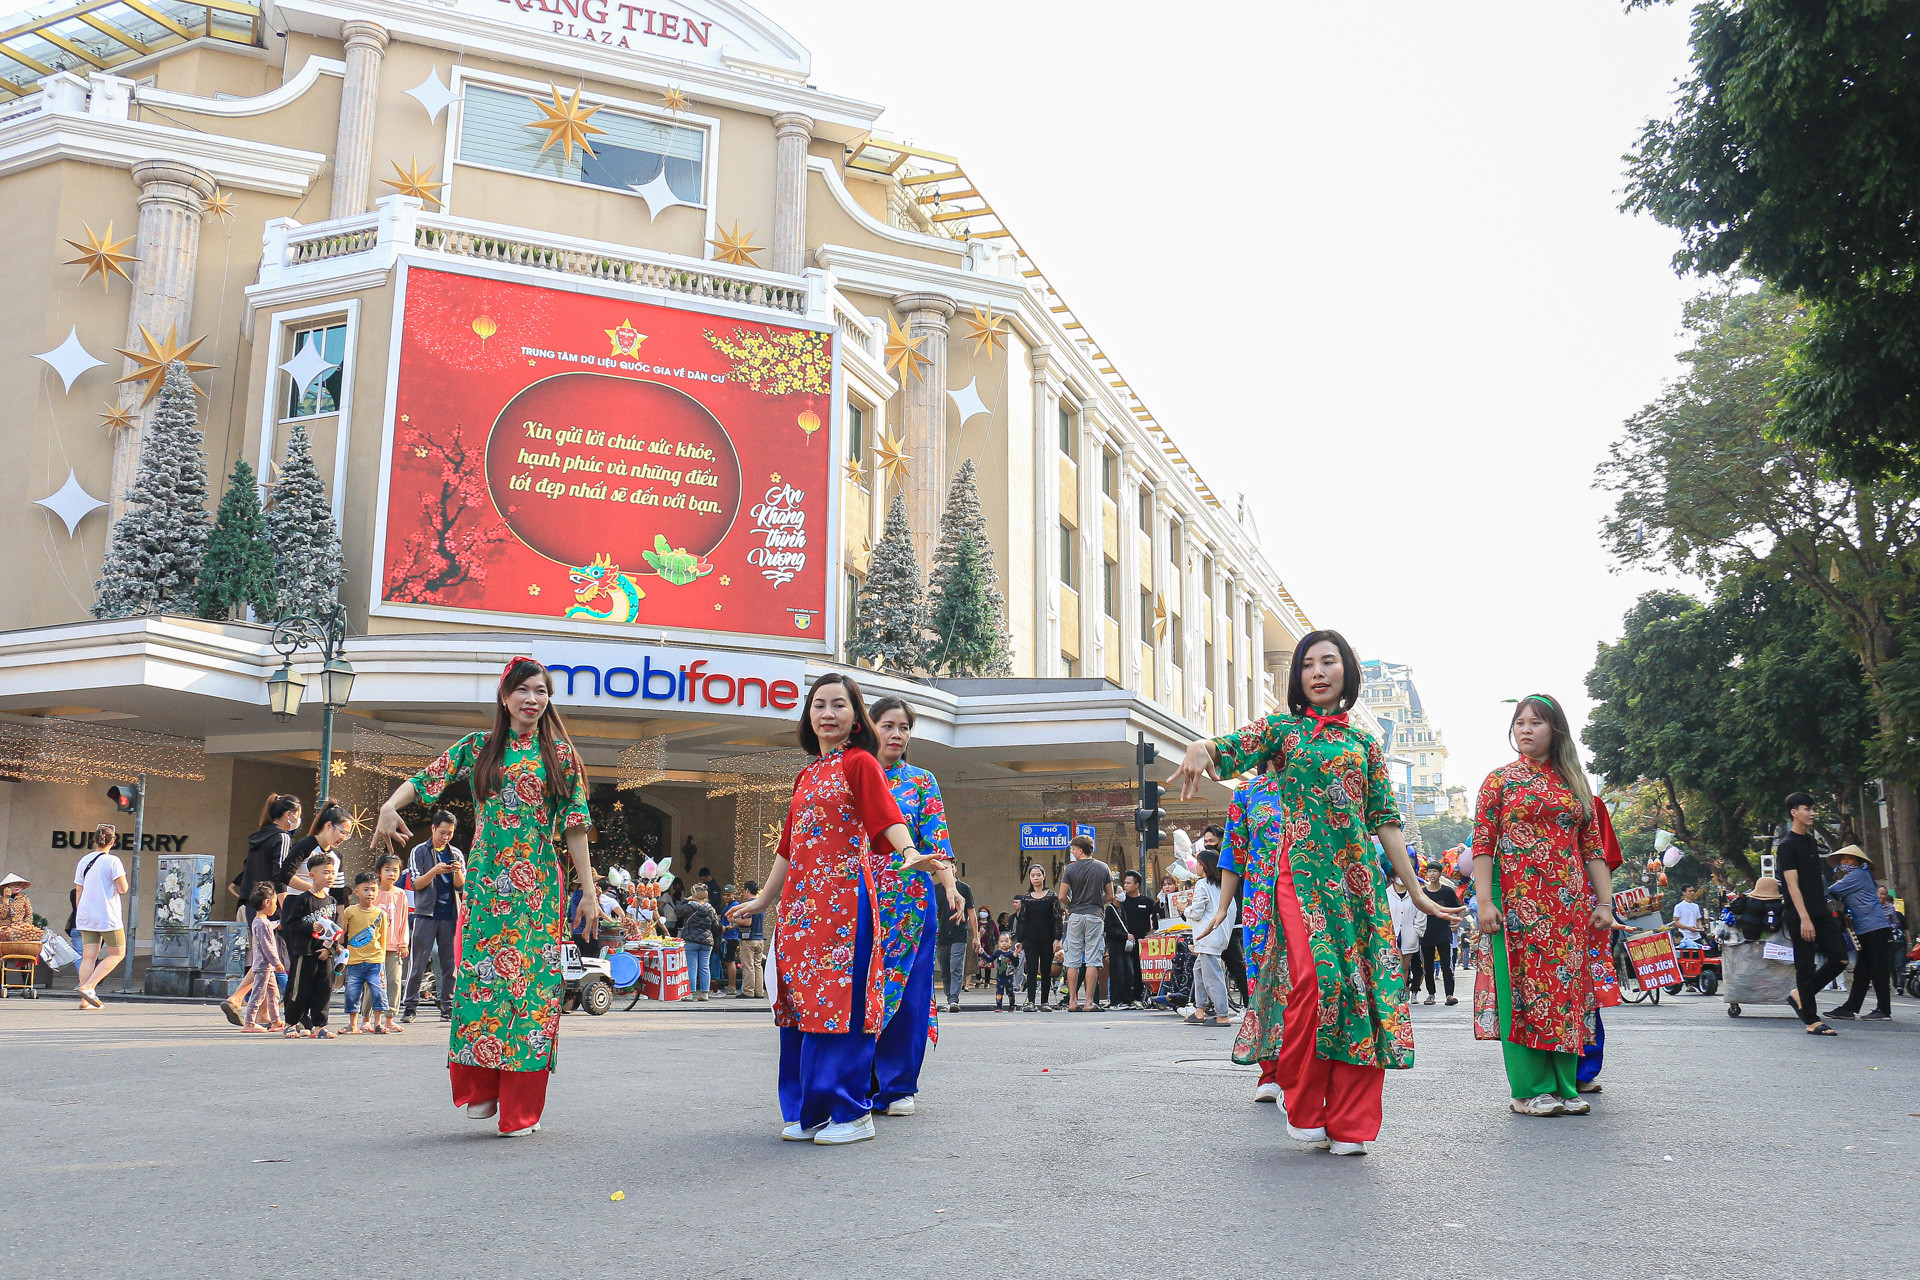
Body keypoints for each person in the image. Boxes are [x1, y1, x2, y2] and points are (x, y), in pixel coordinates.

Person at [1174, 629, 1460, 1156]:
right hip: (1296, 878)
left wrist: (1417, 893)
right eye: (1308, 664)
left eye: (1329, 662)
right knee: (1316, 981)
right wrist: (1200, 746)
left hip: (1357, 883)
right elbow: (1232, 746)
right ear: (1298, 677)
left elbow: (1386, 823)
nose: (1319, 672)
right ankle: (1303, 1101)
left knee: (1362, 990)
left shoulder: (1365, 745)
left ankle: (1350, 1121)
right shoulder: (1283, 730)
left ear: (1346, 672)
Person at [373, 656, 598, 1137]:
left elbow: (575, 827)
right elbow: (427, 777)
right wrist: (390, 805)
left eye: (541, 692)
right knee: (482, 983)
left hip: (537, 887)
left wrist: (589, 892)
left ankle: (520, 1106)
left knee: (529, 991)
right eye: (524, 690)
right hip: (484, 885)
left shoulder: (561, 756)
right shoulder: (478, 748)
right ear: (504, 696)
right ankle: (483, 1088)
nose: (533, 700)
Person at [726, 672, 925, 1146]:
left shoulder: (861, 763)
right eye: (819, 705)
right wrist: (762, 901)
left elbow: (886, 818)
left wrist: (910, 852)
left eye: (839, 705)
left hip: (845, 903)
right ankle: (809, 1111)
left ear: (857, 716)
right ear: (808, 714)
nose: (827, 714)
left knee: (842, 1002)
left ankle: (852, 1111)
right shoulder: (807, 773)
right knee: (800, 1004)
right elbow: (787, 847)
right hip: (800, 908)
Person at [1470, 695, 1615, 1117]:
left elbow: (1593, 849)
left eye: (1536, 722)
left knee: (1566, 992)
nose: (1525, 729)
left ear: (1556, 730)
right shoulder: (1499, 780)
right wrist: (1484, 901)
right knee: (1523, 991)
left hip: (1568, 907)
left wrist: (1604, 903)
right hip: (1516, 903)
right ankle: (1527, 1089)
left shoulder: (1575, 784)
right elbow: (1483, 844)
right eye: (1519, 723)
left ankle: (1566, 1086)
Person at [866, 695, 956, 1116]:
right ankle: (858, 1081)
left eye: (904, 728)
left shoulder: (922, 781)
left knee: (909, 994)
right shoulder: (851, 776)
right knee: (858, 990)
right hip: (857, 900)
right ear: (869, 728)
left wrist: (951, 888)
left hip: (911, 904)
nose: (897, 734)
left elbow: (938, 845)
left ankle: (899, 1086)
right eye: (888, 725)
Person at [220, 793, 302, 1025]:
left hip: (251, 904)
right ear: (289, 815)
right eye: (299, 814)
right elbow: (281, 875)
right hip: (270, 904)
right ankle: (236, 999)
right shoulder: (282, 837)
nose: (299, 819)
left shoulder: (259, 836)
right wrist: (286, 907)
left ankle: (265, 1013)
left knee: (266, 958)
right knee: (268, 959)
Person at [1777, 792, 1848, 1036]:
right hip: (1799, 914)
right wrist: (1805, 918)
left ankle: (1799, 995)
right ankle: (1811, 1020)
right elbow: (1792, 885)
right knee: (1805, 967)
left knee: (1840, 958)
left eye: (1813, 808)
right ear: (1794, 812)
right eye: (1807, 809)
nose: (1812, 813)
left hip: (1820, 911)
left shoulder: (1810, 842)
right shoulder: (1786, 846)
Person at [402, 809, 465, 1024]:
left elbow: (461, 886)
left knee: (450, 965)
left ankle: (447, 1007)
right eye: (442, 832)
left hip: (450, 915)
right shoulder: (419, 851)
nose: (446, 837)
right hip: (425, 914)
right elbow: (416, 883)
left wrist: (456, 871)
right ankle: (410, 1006)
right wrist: (435, 871)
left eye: (449, 833)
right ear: (433, 829)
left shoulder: (455, 853)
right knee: (418, 963)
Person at [280, 852, 346, 1038]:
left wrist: (330, 948)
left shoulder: (332, 901)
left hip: (325, 954)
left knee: (324, 990)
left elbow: (335, 929)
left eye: (332, 872)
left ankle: (319, 1026)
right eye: (325, 872)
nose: (330, 876)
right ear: (312, 876)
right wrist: (311, 926)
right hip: (305, 952)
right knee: (300, 989)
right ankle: (291, 1023)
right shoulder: (302, 900)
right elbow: (290, 925)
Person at [1822, 846, 1892, 1021]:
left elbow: (1832, 890)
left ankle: (1884, 1009)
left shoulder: (1858, 875)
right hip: (1866, 928)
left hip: (1874, 927)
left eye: (1849, 859)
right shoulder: (1858, 875)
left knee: (1877, 969)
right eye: (1843, 859)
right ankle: (1849, 1008)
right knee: (1863, 970)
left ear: (1859, 862)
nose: (1845, 862)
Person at [72, 824, 129, 1009]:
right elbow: (123, 888)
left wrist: (80, 912)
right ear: (112, 842)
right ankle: (89, 987)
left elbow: (78, 889)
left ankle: (84, 1000)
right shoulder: (113, 861)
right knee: (118, 953)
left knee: (88, 956)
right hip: (107, 915)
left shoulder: (83, 861)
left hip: (86, 914)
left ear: (94, 840)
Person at [1058, 835, 1113, 1013]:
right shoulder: (1103, 867)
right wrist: (1098, 903)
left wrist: (1072, 905)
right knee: (1092, 959)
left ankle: (1073, 1001)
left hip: (1075, 916)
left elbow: (1061, 896)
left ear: (1080, 850)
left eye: (1073, 849)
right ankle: (1089, 1001)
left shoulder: (1070, 869)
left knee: (1072, 959)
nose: (1072, 853)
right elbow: (1110, 895)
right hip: (1095, 915)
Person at [339, 871, 393, 1036]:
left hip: (375, 961)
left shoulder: (381, 914)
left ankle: (378, 1024)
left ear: (378, 892)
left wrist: (382, 959)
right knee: (352, 993)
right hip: (354, 960)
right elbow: (343, 934)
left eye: (373, 890)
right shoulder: (350, 911)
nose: (370, 893)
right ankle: (353, 1025)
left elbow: (383, 939)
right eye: (365, 889)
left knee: (378, 992)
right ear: (356, 891)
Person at [1187, 849, 1236, 1026]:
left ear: (1203, 865)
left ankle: (1222, 1015)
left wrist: (1184, 909)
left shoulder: (1202, 884)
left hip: (1207, 937)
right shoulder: (1223, 886)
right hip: (1220, 936)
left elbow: (1197, 911)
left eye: (1198, 863)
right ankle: (1200, 1010)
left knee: (1212, 977)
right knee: (1199, 971)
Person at [1201, 824, 1248, 1003]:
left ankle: (1247, 1003)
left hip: (1231, 920)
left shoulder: (1229, 865)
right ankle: (1202, 1005)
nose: (1208, 844)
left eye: (1212, 841)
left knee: (1235, 964)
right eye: (1205, 841)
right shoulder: (1211, 874)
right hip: (1219, 919)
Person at [364, 853, 409, 1034]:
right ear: (379, 871)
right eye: (387, 870)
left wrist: (403, 942)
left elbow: (404, 919)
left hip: (394, 945)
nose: (391, 874)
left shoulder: (401, 894)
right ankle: (366, 1018)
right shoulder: (373, 893)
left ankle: (390, 1017)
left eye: (395, 870)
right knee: (372, 982)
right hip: (374, 946)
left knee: (394, 980)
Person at [1013, 864, 1061, 1011]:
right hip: (1031, 938)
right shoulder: (1026, 898)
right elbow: (1022, 920)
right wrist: (1019, 941)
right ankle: (1031, 1002)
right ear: (1029, 878)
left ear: (1044, 876)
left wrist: (1058, 938)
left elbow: (1057, 918)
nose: (1036, 878)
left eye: (1038, 875)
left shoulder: (1052, 896)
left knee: (1046, 969)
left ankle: (1044, 1002)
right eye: (1033, 875)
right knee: (1032, 969)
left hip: (1047, 937)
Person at [240, 882, 285, 1033]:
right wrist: (277, 962)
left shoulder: (259, 921)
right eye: (274, 902)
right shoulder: (262, 924)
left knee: (274, 994)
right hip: (264, 966)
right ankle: (249, 1023)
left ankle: (276, 1021)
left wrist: (277, 923)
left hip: (266, 966)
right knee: (258, 995)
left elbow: (268, 926)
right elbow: (267, 946)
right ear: (266, 902)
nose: (276, 906)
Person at [1116, 871, 1161, 1011]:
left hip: (1142, 942)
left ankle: (1137, 997)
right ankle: (1122, 998)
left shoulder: (1147, 902)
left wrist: (1151, 934)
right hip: (1124, 940)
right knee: (1123, 970)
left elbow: (1154, 922)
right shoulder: (1121, 902)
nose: (1125, 886)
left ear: (1137, 885)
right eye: (1124, 883)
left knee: (1138, 970)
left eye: (1129, 883)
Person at [1417, 861, 1459, 1005]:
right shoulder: (1422, 893)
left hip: (1443, 932)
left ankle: (1449, 995)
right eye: (1429, 871)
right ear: (1426, 874)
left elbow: (1458, 907)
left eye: (1435, 871)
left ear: (1440, 873)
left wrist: (1457, 922)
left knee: (1446, 964)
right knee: (1427, 965)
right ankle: (1431, 994)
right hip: (1426, 933)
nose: (1432, 874)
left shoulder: (1447, 892)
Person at [679, 884, 722, 1002]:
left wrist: (685, 900)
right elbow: (716, 925)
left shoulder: (689, 907)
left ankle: (690, 994)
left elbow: (677, 910)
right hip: (707, 941)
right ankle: (705, 994)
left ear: (693, 895)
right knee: (705, 967)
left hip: (691, 940)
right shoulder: (710, 909)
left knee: (692, 967)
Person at [939, 876, 974, 1012]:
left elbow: (971, 912)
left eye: (951, 865)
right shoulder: (937, 889)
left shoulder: (964, 888)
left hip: (959, 934)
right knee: (945, 970)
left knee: (956, 966)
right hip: (942, 934)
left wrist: (976, 936)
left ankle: (954, 999)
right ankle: (949, 997)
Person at [1388, 875, 1422, 990]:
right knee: (1396, 966)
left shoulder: (1415, 894)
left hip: (1409, 935)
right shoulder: (1386, 894)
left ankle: (1403, 991)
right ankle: (1396, 991)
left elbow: (1421, 913)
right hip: (1391, 934)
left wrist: (1416, 930)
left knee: (1405, 967)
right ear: (1392, 878)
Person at [737, 880, 766, 1000]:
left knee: (748, 966)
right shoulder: (761, 904)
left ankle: (749, 991)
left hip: (749, 939)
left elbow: (747, 922)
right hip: (760, 938)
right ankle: (759, 991)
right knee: (758, 965)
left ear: (747, 890)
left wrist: (735, 921)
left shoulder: (748, 905)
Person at [1672, 884, 1707, 949]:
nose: (1692, 893)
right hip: (1685, 938)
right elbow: (1675, 922)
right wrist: (1688, 928)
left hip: (1697, 937)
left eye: (1693, 891)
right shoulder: (1679, 907)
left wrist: (1700, 927)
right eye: (1689, 891)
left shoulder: (1696, 906)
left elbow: (1698, 920)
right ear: (1684, 893)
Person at [993, 932, 1020, 1010]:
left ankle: (1012, 1005)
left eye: (1006, 941)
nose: (1004, 943)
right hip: (999, 977)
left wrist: (1015, 956)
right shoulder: (997, 953)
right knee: (999, 992)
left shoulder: (1011, 953)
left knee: (1010, 992)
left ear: (1010, 943)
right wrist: (982, 953)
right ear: (998, 943)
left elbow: (1015, 964)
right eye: (1001, 942)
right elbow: (989, 959)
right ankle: (999, 1006)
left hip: (1009, 977)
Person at [973, 908, 999, 990]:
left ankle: (987, 982)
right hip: (978, 945)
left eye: (985, 911)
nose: (982, 913)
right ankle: (978, 980)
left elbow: (996, 934)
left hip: (988, 946)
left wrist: (999, 943)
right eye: (981, 911)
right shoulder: (976, 923)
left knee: (988, 963)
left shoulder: (991, 923)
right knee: (978, 963)